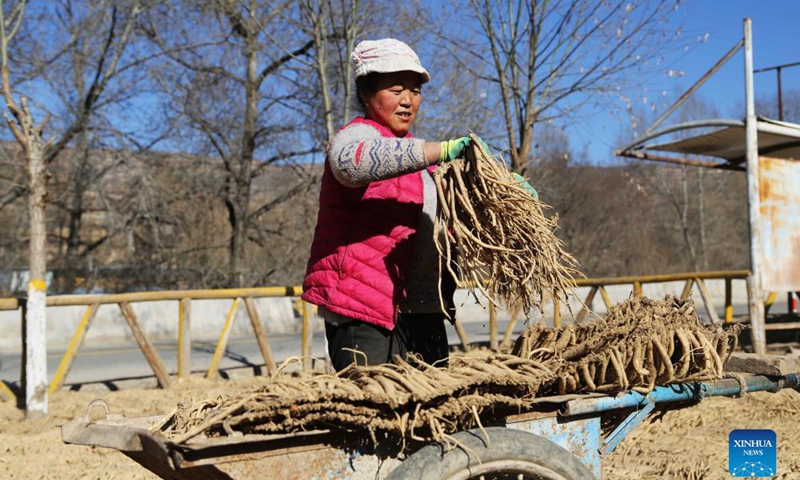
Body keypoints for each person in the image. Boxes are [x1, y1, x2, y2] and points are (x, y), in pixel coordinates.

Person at [301, 38, 473, 372]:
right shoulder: (355, 137)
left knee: (434, 401)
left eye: (415, 91)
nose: (408, 100)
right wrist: (440, 150)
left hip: (422, 309)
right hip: (363, 312)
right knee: (377, 401)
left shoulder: (423, 161)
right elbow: (351, 164)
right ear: (366, 94)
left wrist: (499, 190)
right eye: (396, 90)